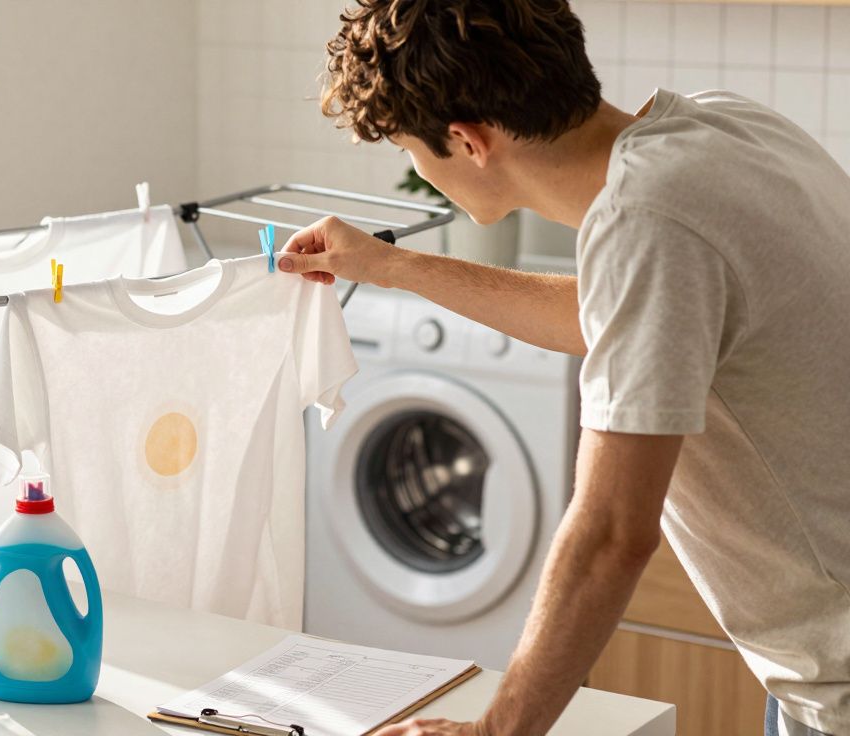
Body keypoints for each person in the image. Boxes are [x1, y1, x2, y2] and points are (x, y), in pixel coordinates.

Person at [278, 1, 850, 734]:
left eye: (408, 149)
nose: (417, 168)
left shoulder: (646, 220)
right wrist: (390, 266)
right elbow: (624, 317)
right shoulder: (717, 127)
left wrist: (496, 732)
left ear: (467, 140)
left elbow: (613, 532)